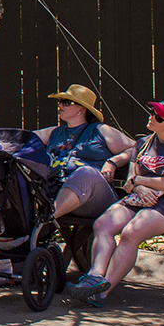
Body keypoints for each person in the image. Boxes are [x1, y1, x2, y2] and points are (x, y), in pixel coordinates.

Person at [64, 100, 164, 308]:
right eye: (152, 113)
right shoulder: (143, 143)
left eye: (158, 117)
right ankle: (94, 278)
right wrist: (138, 187)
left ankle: (100, 293)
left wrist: (140, 182)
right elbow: (131, 180)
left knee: (131, 232)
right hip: (142, 198)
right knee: (103, 224)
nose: (151, 117)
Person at [33, 84, 133, 224]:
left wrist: (113, 162)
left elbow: (139, 149)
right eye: (60, 102)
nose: (60, 105)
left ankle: (45, 221)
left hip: (94, 198)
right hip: (56, 191)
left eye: (66, 102)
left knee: (85, 173)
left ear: (81, 109)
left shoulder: (100, 130)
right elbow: (21, 139)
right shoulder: (55, 132)